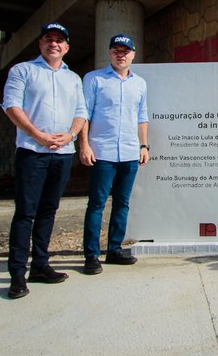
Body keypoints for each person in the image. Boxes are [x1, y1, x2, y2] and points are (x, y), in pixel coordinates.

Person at [1, 21, 87, 299]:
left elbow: (82, 111)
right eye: (48, 39)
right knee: (26, 212)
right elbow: (11, 106)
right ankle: (17, 275)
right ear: (40, 44)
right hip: (32, 152)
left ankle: (40, 265)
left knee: (49, 211)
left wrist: (71, 135)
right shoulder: (23, 70)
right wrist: (37, 135)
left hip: (62, 153)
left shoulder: (73, 78)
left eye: (59, 40)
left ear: (67, 47)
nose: (54, 43)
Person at [79, 34, 149, 275]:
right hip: (102, 152)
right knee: (97, 204)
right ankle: (91, 255)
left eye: (125, 50)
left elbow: (142, 116)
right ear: (109, 53)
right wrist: (84, 145)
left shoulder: (139, 83)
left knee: (122, 203)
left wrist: (144, 146)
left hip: (130, 151)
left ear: (133, 54)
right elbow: (84, 114)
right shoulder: (94, 79)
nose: (121, 54)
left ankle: (114, 249)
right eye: (116, 50)